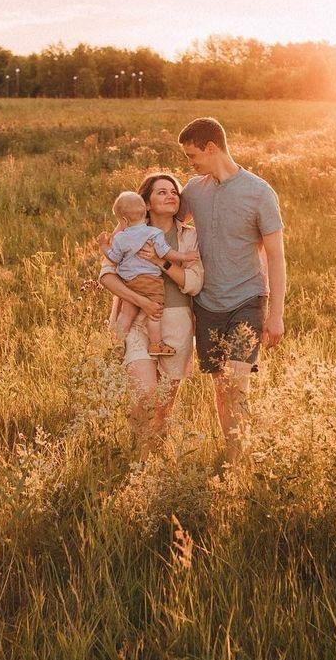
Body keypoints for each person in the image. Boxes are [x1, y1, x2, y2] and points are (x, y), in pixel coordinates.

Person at [175, 117, 286, 465]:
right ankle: (234, 451)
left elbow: (276, 256)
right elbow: (160, 217)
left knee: (237, 382)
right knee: (221, 386)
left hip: (247, 298)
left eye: (193, 155)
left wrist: (276, 314)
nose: (189, 163)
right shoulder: (194, 190)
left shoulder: (259, 192)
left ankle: (238, 461)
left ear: (211, 148)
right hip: (206, 303)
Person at [98, 173, 204, 458]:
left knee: (163, 404)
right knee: (144, 395)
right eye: (162, 192)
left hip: (177, 322)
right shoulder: (126, 235)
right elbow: (106, 275)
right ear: (146, 203)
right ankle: (138, 456)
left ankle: (152, 460)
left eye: (174, 192)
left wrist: (161, 262)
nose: (171, 196)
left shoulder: (190, 236)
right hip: (137, 321)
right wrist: (140, 302)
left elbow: (194, 283)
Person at [99, 191, 199, 357]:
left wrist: (103, 246)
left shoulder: (120, 238)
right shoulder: (153, 233)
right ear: (145, 209)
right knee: (155, 313)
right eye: (161, 192)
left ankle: (116, 345)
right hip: (150, 281)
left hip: (129, 281)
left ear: (124, 220)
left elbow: (114, 258)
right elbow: (166, 252)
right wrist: (184, 256)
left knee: (125, 314)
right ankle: (156, 344)